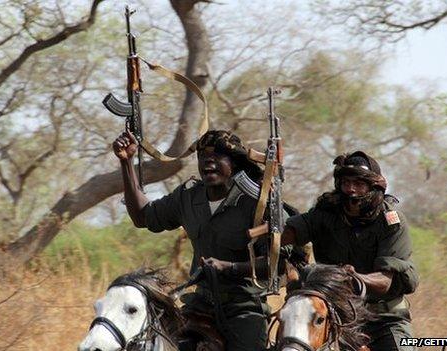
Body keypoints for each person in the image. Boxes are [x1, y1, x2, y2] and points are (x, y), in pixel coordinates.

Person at [112, 130, 276, 351]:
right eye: (202, 156)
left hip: (243, 307)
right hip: (200, 304)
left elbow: (277, 265)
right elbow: (143, 216)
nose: (208, 160)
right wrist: (127, 162)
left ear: (234, 163)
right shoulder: (188, 196)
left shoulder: (258, 203)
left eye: (218, 156)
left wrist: (230, 267)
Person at [280, 151, 419, 351]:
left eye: (359, 184)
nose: (351, 190)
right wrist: (273, 234)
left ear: (373, 187)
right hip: (338, 318)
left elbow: (386, 281)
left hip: (385, 319)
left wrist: (352, 277)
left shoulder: (391, 222)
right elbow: (289, 232)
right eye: (346, 183)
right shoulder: (325, 213)